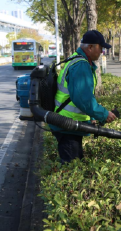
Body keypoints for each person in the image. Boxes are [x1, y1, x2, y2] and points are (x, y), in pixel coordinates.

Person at [49, 30, 117, 164]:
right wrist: (103, 114)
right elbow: (83, 99)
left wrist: (90, 118)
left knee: (75, 163)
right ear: (90, 47)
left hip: (68, 123)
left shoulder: (77, 60)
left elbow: (80, 95)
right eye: (101, 48)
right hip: (67, 125)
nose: (102, 51)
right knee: (71, 167)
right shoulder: (81, 65)